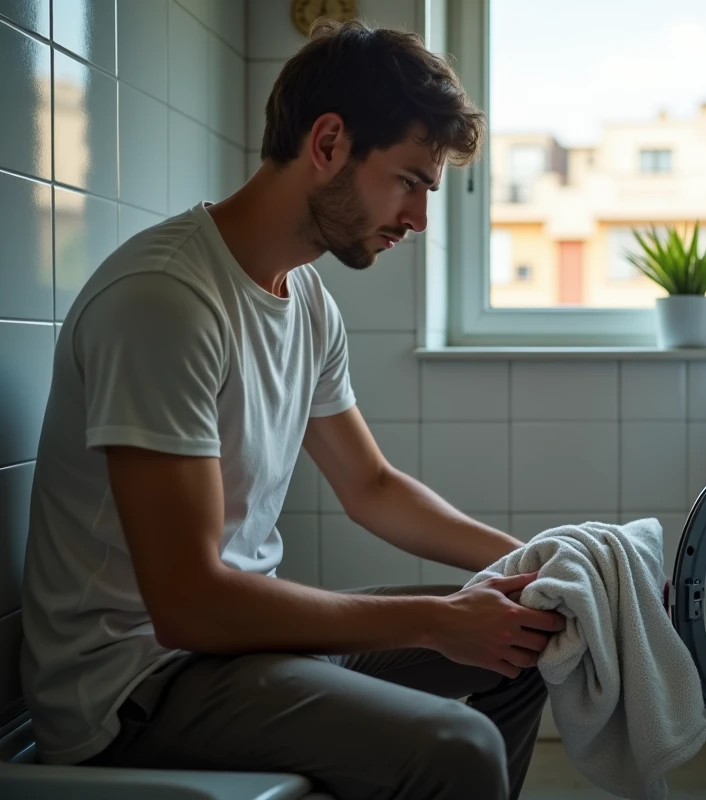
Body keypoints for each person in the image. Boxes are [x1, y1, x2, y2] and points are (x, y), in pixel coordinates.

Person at [19, 18, 564, 800]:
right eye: (409, 181)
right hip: (135, 690)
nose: (417, 220)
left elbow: (371, 487)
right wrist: (438, 620)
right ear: (330, 143)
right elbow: (190, 605)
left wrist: (530, 566)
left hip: (247, 652)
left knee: (526, 641)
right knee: (457, 747)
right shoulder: (167, 303)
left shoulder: (305, 298)